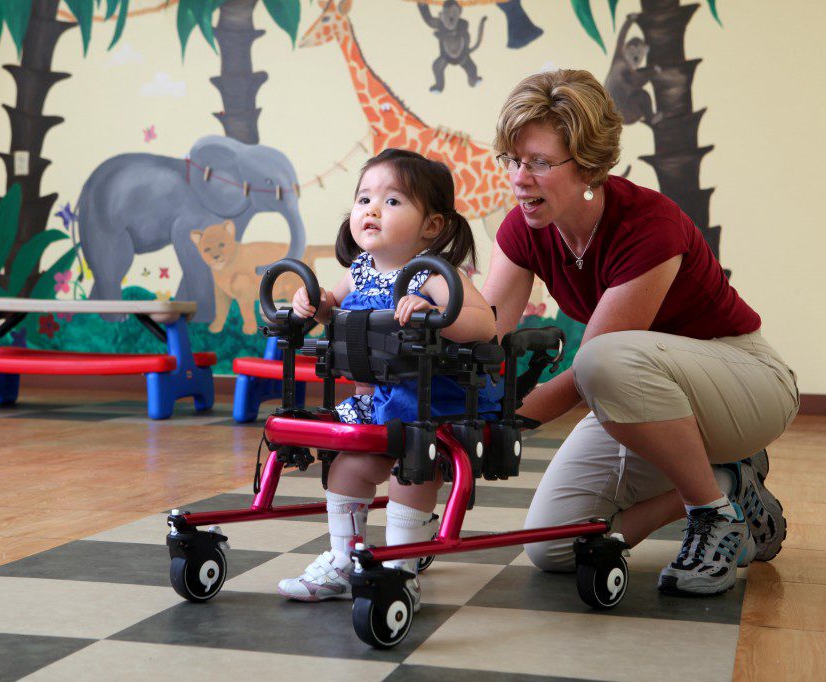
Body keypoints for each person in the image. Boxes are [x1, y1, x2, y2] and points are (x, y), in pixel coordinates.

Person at [481, 69, 799, 596]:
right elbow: (487, 330)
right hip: (644, 392)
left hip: (745, 381)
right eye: (513, 160)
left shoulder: (650, 227)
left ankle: (711, 513)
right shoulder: (526, 227)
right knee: (552, 546)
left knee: (600, 360)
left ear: (587, 166)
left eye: (538, 162)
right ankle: (728, 482)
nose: (519, 177)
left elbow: (592, 370)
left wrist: (504, 425)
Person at [277, 148, 499, 607]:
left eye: (393, 201)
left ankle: (400, 568)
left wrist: (439, 312)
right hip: (376, 401)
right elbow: (331, 311)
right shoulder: (358, 271)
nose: (372, 210)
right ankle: (344, 557)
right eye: (363, 200)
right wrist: (312, 303)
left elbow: (484, 325)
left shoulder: (433, 275)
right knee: (347, 469)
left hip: (428, 406)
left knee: (411, 476)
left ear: (431, 226)